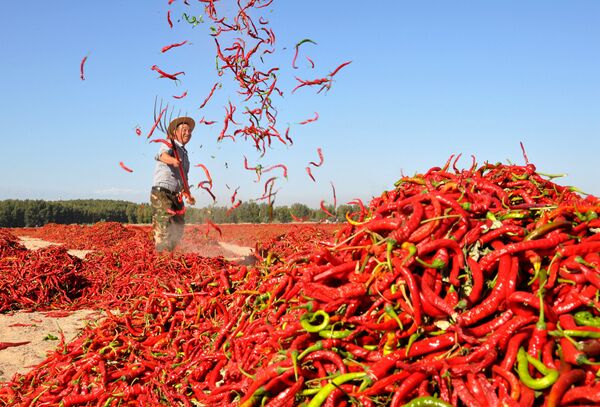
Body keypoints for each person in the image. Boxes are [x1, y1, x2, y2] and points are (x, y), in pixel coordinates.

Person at [150, 116, 196, 252]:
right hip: (162, 192)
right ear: (175, 132)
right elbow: (160, 155)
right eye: (184, 130)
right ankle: (161, 258)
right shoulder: (171, 144)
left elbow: (183, 177)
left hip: (176, 195)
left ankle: (168, 256)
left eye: (190, 131)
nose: (188, 133)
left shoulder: (185, 154)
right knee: (163, 226)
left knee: (178, 226)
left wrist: (188, 194)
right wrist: (172, 160)